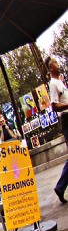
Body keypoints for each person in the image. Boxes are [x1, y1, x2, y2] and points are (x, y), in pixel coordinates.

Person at [46, 56, 68, 203]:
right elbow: (54, 106)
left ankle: (60, 187)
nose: (57, 63)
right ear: (51, 68)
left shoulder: (60, 81)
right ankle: (60, 187)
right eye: (54, 62)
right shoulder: (53, 84)